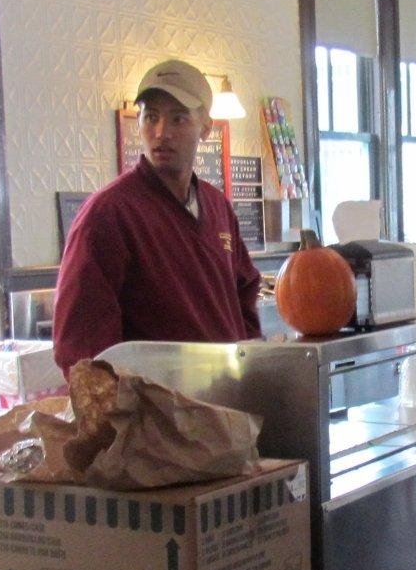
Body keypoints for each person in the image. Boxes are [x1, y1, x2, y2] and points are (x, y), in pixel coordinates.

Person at [53, 60, 263, 370]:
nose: (162, 133)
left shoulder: (217, 206)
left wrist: (249, 365)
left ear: (206, 127)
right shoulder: (109, 214)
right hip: (155, 411)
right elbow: (81, 342)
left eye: (178, 119)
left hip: (227, 399)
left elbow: (244, 292)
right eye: (151, 117)